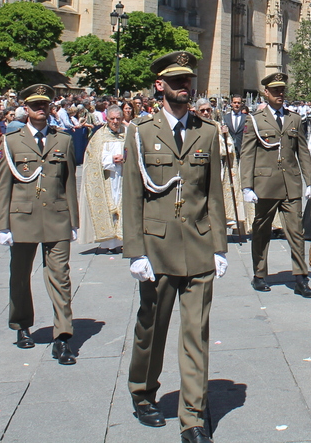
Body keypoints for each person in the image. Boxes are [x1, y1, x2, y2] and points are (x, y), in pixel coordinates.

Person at [122, 50, 227, 439]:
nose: (186, 86)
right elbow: (133, 195)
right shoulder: (141, 132)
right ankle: (143, 392)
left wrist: (220, 247)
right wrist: (134, 251)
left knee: (196, 333)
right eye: (177, 81)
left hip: (198, 245)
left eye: (189, 80)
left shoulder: (208, 132)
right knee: (152, 326)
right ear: (160, 85)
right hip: (157, 245)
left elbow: (214, 194)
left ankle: (193, 417)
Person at [0, 83, 79, 365]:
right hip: (22, 217)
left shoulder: (63, 140)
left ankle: (63, 336)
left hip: (56, 216)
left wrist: (74, 220)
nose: (40, 110)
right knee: (19, 276)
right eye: (35, 105)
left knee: (61, 278)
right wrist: (2, 226)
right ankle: (21, 324)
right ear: (26, 109)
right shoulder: (13, 141)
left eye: (44, 105)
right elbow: (4, 186)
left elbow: (69, 182)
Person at [240, 72, 311, 297]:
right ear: (266, 93)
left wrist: (310, 181)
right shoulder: (255, 120)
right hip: (265, 185)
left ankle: (300, 277)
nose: (280, 94)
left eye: (282, 90)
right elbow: (247, 154)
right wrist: (247, 186)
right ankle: (259, 274)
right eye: (275, 91)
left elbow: (302, 152)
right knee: (262, 231)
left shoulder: (294, 119)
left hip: (290, 184)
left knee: (296, 232)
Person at [82, 105, 126, 252]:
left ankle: (123, 240)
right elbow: (93, 158)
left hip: (124, 177)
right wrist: (111, 159)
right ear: (106, 119)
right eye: (112, 118)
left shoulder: (128, 133)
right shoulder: (99, 136)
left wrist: (126, 157)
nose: (115, 121)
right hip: (107, 178)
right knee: (109, 208)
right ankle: (109, 243)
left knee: (123, 208)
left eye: (118, 119)